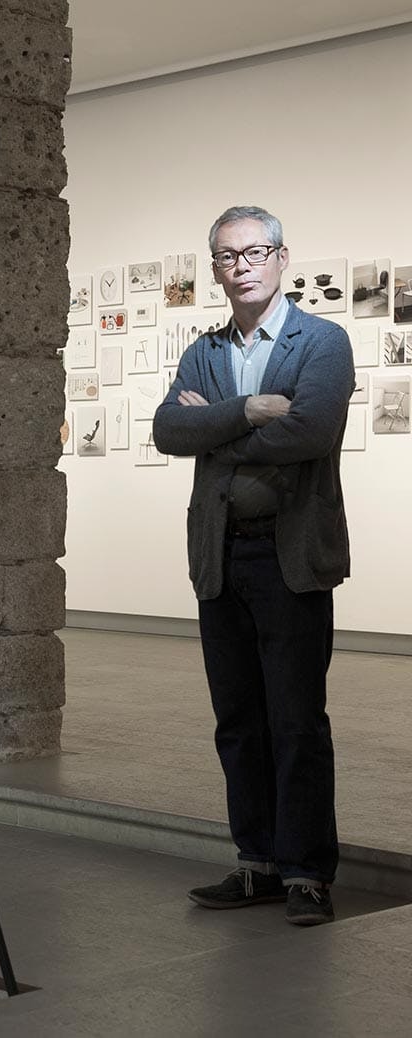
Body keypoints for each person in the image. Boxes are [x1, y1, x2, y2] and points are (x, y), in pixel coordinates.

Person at [152, 205, 354, 926]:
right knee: (237, 719)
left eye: (255, 252)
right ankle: (257, 863)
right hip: (220, 553)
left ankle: (306, 872)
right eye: (227, 256)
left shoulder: (321, 342)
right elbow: (167, 428)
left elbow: (313, 429)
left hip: (289, 554)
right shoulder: (205, 350)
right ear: (215, 268)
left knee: (296, 720)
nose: (242, 266)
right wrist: (249, 411)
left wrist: (216, 430)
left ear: (282, 258)